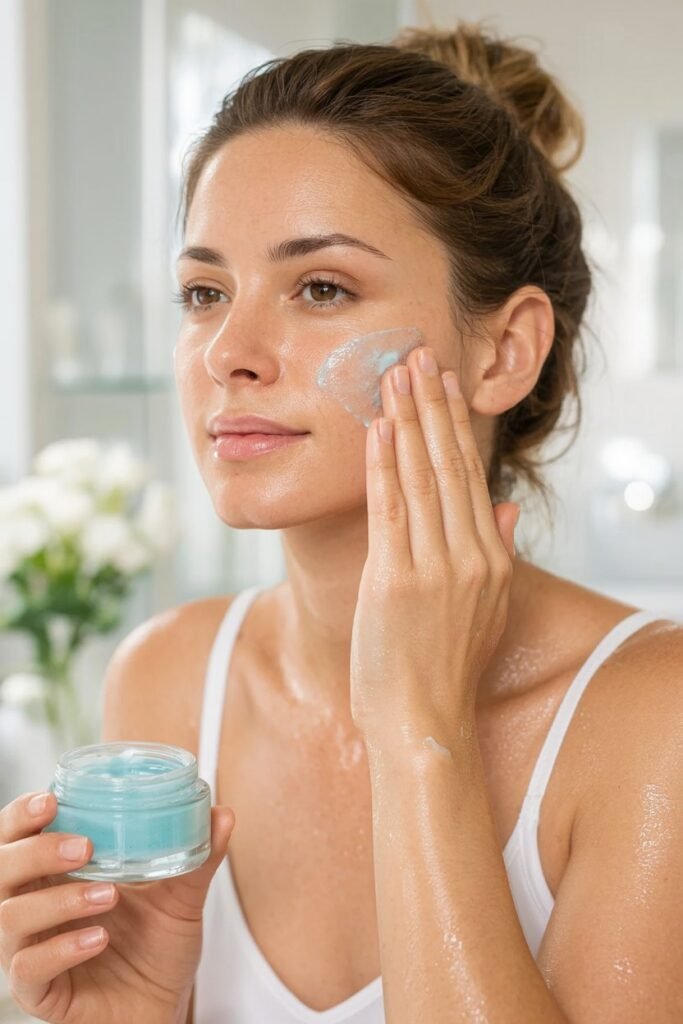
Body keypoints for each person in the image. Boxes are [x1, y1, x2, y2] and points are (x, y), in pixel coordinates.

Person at [1, 20, 681, 1024]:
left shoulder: (651, 721)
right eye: (203, 291)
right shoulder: (168, 679)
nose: (227, 351)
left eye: (321, 287)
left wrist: (418, 734)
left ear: (503, 351)